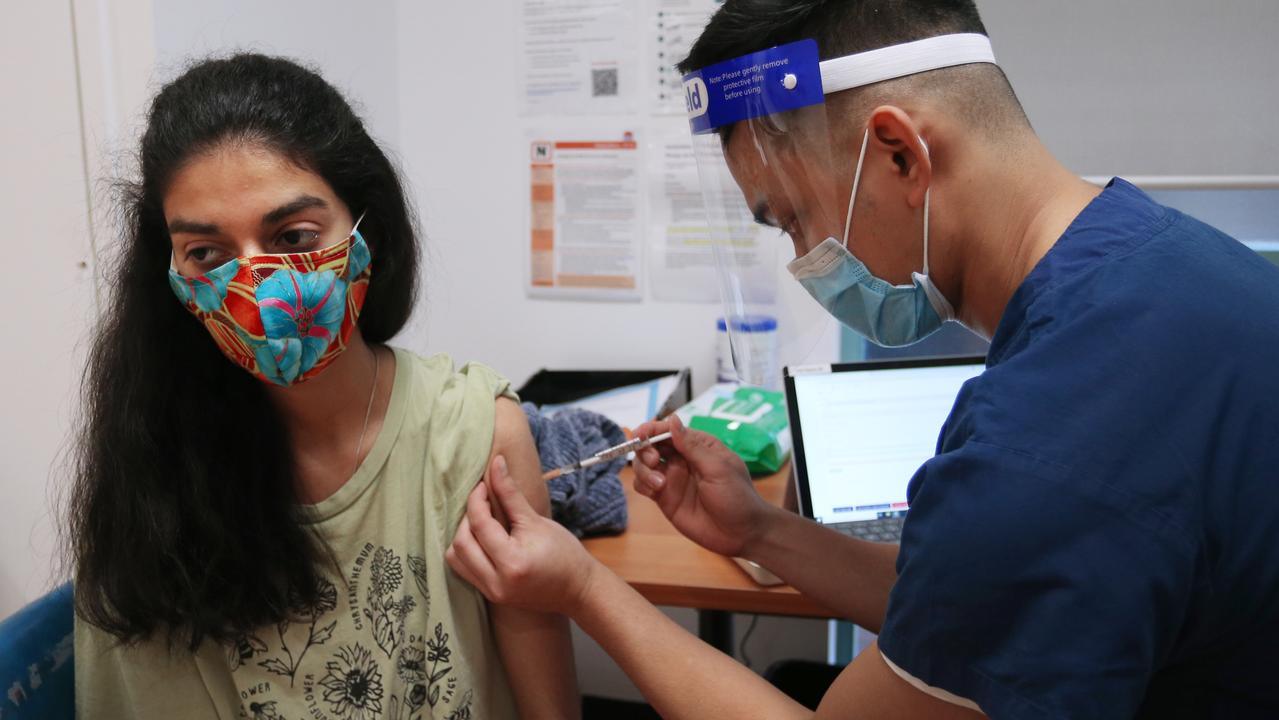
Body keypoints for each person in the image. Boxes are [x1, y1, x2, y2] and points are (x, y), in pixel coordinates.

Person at [446, 1, 1279, 718]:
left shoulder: (1050, 438)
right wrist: (762, 531)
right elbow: (968, 617)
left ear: (899, 155)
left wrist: (586, 590)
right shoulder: (1169, 267)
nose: (807, 258)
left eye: (793, 219)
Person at [68, 54, 578, 719]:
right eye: (207, 253)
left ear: (365, 228)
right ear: (169, 270)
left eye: (292, 237)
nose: (259, 286)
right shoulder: (152, 474)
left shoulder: (474, 435)